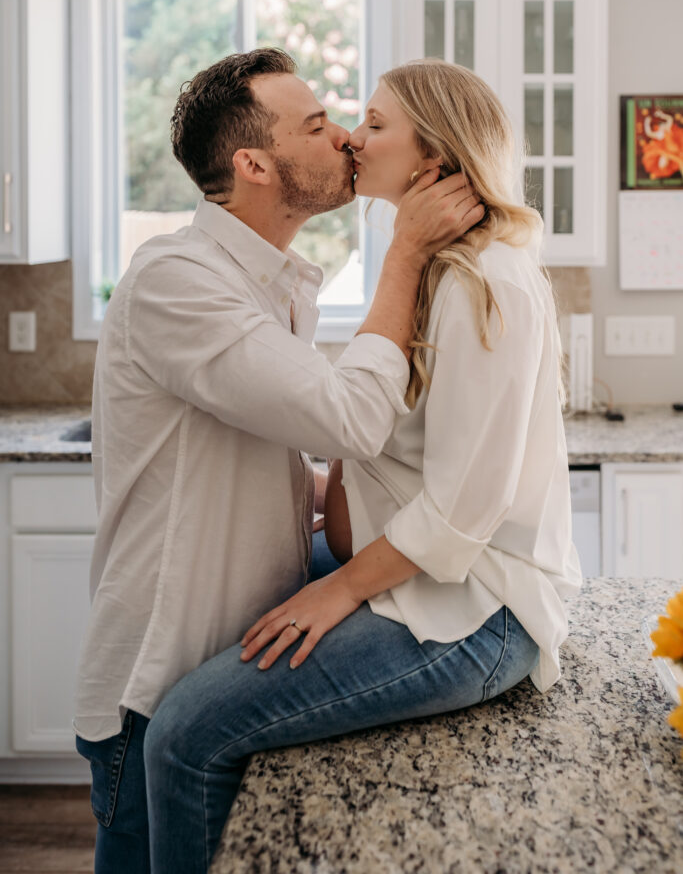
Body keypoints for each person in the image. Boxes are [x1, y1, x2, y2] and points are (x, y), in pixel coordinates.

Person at [143, 59, 583, 874]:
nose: (351, 138)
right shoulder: (426, 271)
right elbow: (367, 431)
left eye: (374, 124)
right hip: (415, 584)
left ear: (431, 158)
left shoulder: (486, 281)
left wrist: (339, 586)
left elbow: (462, 507)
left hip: (472, 613)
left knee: (183, 732)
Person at [73, 47, 483, 874]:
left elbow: (259, 460)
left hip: (236, 654)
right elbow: (347, 420)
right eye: (317, 124)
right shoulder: (178, 278)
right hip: (159, 680)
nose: (344, 139)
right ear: (253, 164)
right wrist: (404, 254)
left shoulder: (270, 282)